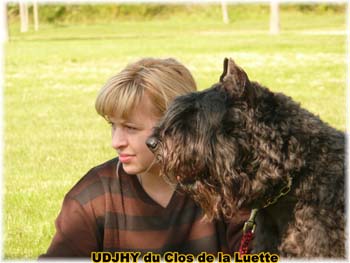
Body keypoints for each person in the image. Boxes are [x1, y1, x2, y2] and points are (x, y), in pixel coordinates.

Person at [39, 57, 247, 258]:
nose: (116, 142)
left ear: (177, 125)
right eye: (113, 125)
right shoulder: (93, 197)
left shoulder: (225, 184)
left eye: (130, 127)